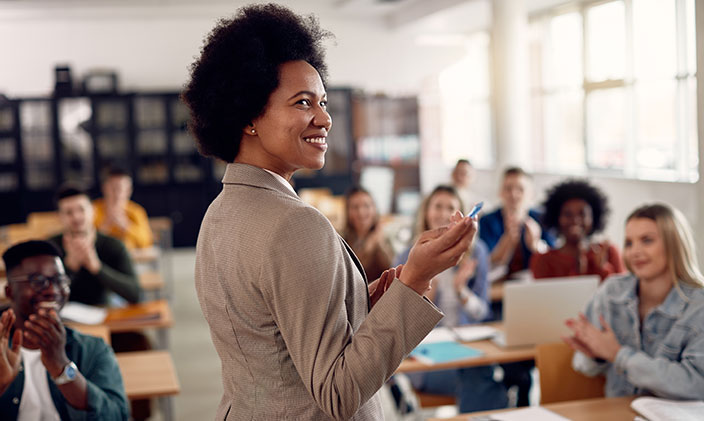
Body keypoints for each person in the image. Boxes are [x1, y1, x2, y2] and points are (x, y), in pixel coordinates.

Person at [182, 4, 479, 419]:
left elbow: (271, 336)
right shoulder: (295, 224)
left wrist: (360, 300)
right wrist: (416, 278)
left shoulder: (220, 212)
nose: (324, 118)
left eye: (322, 102)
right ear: (249, 115)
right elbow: (337, 394)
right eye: (303, 103)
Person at [565, 203, 704, 400]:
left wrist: (618, 355)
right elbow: (581, 365)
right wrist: (595, 355)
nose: (634, 252)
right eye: (629, 243)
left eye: (647, 241)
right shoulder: (611, 291)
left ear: (674, 244)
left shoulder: (699, 306)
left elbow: (697, 385)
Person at [394, 185, 506, 413]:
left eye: (451, 208)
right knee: (486, 385)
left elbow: (483, 313)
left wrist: (461, 290)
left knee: (481, 377)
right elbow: (398, 319)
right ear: (426, 211)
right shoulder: (407, 256)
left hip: (467, 349)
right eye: (438, 206)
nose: (444, 213)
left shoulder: (477, 252)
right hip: (425, 356)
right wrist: (427, 287)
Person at [0, 240, 129, 420]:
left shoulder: (92, 348)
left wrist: (62, 367)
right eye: (38, 281)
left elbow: (117, 415)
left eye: (60, 280)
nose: (52, 291)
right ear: (10, 291)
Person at [50, 185, 141, 307]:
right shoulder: (50, 248)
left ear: (93, 211)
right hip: (63, 316)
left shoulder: (113, 245)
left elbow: (135, 294)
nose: (76, 217)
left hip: (104, 314)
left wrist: (97, 267)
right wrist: (70, 267)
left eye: (81, 209)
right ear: (59, 217)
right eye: (68, 212)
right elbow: (44, 296)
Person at [530, 179, 625, 281]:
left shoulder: (608, 252)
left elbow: (622, 293)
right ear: (557, 218)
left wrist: (602, 268)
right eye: (568, 214)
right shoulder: (543, 261)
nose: (575, 220)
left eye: (582, 214)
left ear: (593, 218)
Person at [479, 167, 555, 278]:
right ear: (500, 192)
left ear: (531, 194)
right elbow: (485, 262)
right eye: (508, 189)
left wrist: (535, 244)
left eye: (520, 189)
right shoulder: (487, 220)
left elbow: (554, 258)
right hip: (498, 285)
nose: (513, 194)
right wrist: (507, 241)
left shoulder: (542, 218)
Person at [93, 166, 154, 250]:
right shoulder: (92, 210)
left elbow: (147, 241)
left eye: (121, 189)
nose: (117, 193)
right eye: (113, 188)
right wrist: (105, 226)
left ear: (129, 191)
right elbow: (87, 241)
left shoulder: (136, 211)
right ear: (104, 188)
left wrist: (126, 226)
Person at [342, 186, 393, 282]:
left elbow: (393, 269)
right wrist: (368, 247)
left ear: (374, 209)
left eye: (366, 206)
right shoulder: (342, 241)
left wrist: (378, 243)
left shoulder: (386, 238)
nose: (361, 212)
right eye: (355, 207)